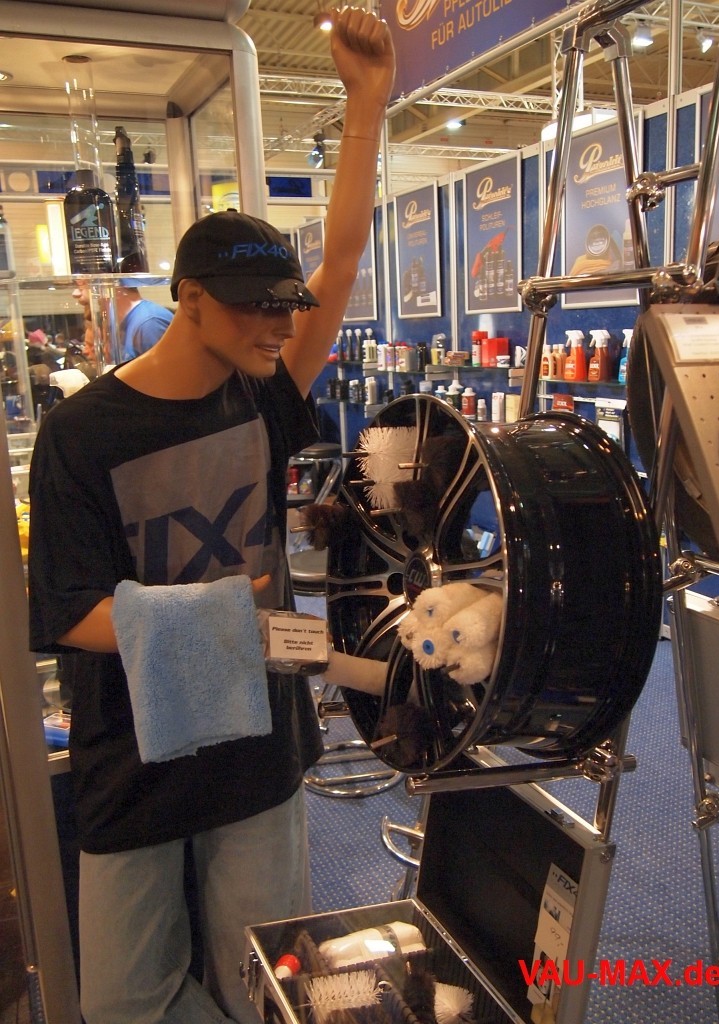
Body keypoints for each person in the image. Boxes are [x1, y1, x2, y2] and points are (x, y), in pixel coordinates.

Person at [27, 8, 395, 1024]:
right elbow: (67, 608)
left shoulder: (265, 393)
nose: (278, 322)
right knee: (124, 1001)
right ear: (188, 297)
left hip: (257, 744)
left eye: (283, 304)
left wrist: (367, 102)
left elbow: (342, 260)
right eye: (251, 303)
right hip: (131, 754)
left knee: (264, 980)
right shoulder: (81, 433)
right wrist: (232, 617)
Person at [71, 278, 173, 362]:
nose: (75, 294)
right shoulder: (116, 324)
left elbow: (167, 375)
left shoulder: (149, 323)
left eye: (82, 285)